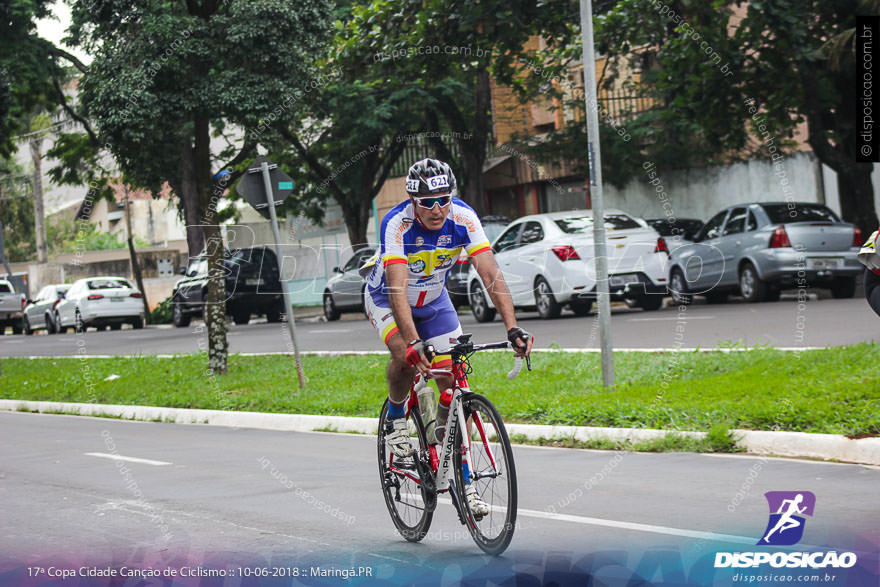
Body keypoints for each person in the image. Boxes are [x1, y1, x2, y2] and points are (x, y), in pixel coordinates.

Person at [362, 158, 533, 517]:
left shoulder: (464, 217)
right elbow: (397, 288)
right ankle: (396, 418)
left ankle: (454, 458)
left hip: (436, 303)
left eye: (443, 199)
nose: (437, 209)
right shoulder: (396, 224)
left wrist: (512, 326)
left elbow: (490, 274)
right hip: (388, 299)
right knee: (404, 358)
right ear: (412, 200)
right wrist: (411, 343)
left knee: (452, 380)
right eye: (427, 202)